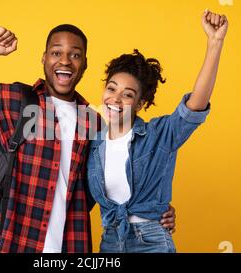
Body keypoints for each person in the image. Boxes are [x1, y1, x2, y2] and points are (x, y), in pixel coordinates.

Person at [0, 24, 175, 253]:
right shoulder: (13, 100)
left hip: (72, 244)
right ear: (44, 58)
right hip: (18, 240)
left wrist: (153, 212)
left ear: (85, 64)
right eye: (56, 52)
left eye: (75, 55)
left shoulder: (94, 123)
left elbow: (114, 182)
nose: (65, 61)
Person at [86, 10, 228, 253]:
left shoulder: (159, 135)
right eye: (111, 89)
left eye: (128, 95)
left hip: (150, 242)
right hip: (109, 243)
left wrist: (214, 43)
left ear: (141, 104)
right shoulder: (92, 144)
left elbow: (195, 106)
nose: (115, 99)